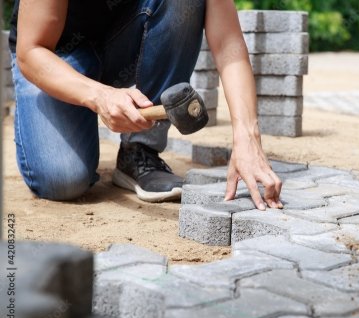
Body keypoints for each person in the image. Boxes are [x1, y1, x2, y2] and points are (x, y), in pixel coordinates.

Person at [9, 0, 283, 210]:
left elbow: (228, 43)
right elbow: (32, 50)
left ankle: (140, 150)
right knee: (63, 180)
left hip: (124, 41)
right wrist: (98, 95)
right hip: (56, 53)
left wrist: (248, 138)